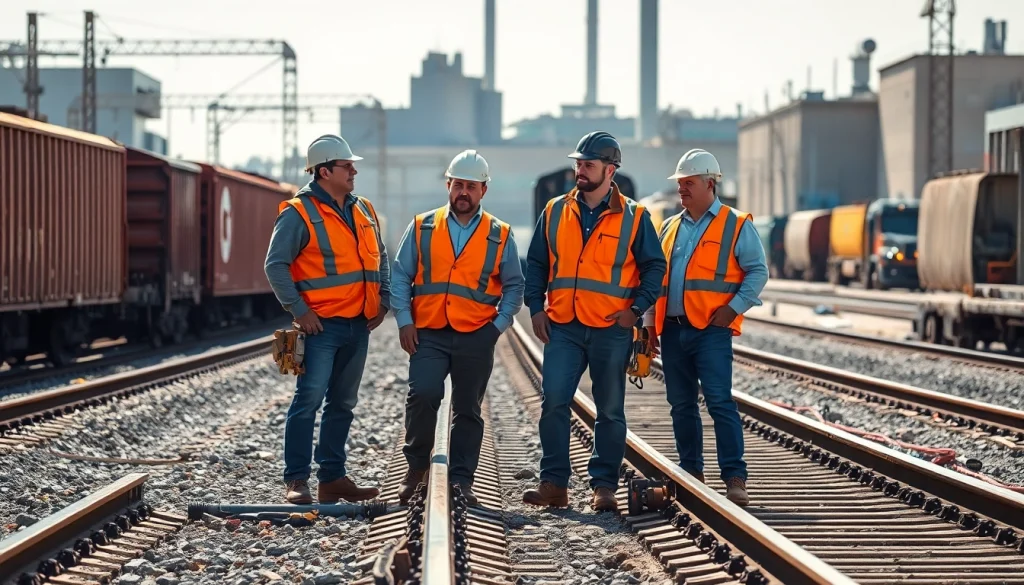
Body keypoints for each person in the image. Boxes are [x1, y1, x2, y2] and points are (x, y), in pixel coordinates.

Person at [521, 131, 667, 511]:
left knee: (610, 410)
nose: (580, 170)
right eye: (578, 164)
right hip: (564, 325)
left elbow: (655, 267)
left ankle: (604, 486)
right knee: (554, 399)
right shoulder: (555, 211)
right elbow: (536, 263)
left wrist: (635, 310)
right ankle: (554, 484)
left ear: (610, 170)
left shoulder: (635, 217)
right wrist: (535, 307)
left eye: (588, 164)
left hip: (610, 328)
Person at [390, 150, 525, 507]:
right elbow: (401, 275)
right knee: (422, 395)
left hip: (476, 335)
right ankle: (416, 468)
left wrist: (496, 327)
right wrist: (404, 320)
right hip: (429, 332)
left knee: (468, 408)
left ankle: (462, 480)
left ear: (483, 190)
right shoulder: (423, 226)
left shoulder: (499, 234)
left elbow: (515, 285)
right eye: (458, 185)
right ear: (448, 185)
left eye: (471, 186)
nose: (464, 192)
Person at [264, 134, 391, 505]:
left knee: (343, 404)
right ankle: (297, 480)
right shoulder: (298, 213)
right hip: (321, 327)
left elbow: (381, 256)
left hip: (359, 325)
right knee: (308, 401)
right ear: (324, 171)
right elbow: (275, 265)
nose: (353, 171)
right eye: (346, 165)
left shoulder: (364, 209)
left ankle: (333, 479)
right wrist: (299, 311)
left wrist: (383, 300)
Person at [642, 148, 769, 507]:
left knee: (719, 402)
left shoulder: (735, 224)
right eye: (680, 183)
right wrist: (649, 324)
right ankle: (691, 474)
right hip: (673, 330)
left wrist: (733, 309)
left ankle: (734, 478)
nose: (681, 188)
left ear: (710, 184)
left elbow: (758, 271)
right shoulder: (669, 227)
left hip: (711, 330)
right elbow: (656, 279)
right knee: (681, 405)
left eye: (689, 183)